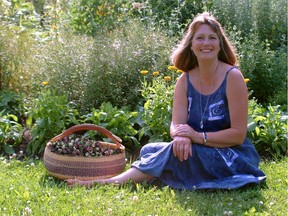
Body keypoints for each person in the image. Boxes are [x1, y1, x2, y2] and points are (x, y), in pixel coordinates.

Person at [67, 12, 266, 190]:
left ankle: (110, 182)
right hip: (199, 150)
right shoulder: (184, 80)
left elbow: (238, 135)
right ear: (191, 44)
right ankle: (165, 174)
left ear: (220, 44)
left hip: (231, 156)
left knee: (170, 152)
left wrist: (196, 137)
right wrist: (181, 136)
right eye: (200, 38)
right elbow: (176, 124)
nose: (207, 43)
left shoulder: (232, 77)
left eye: (212, 38)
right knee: (149, 149)